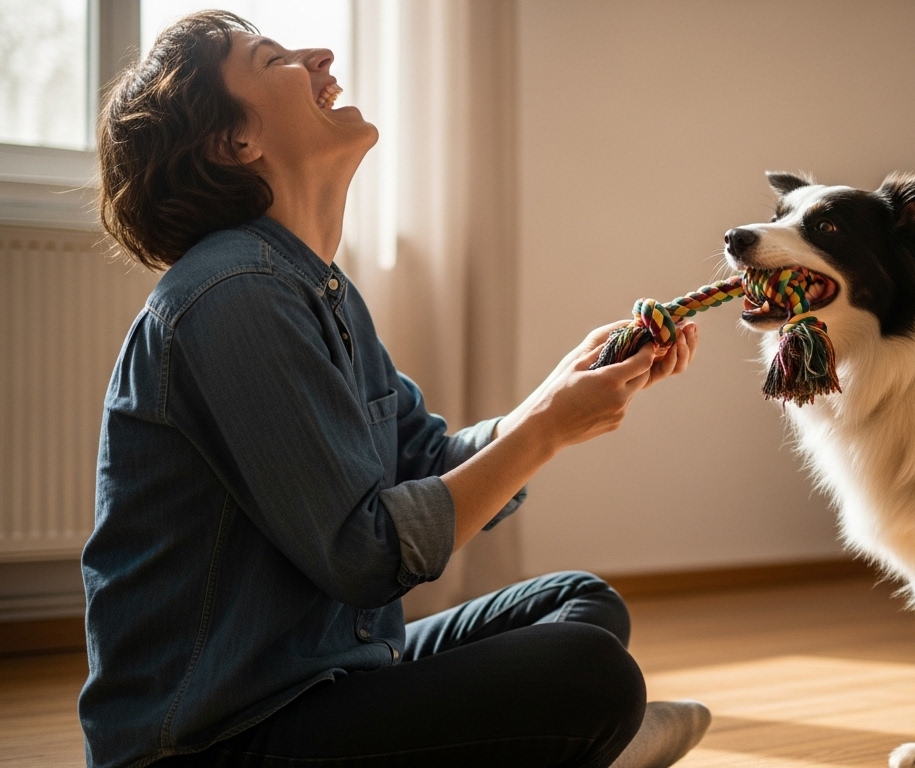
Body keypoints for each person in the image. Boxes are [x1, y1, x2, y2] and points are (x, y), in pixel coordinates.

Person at [80, 10, 710, 768]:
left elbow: (429, 458)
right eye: (274, 57)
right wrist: (545, 426)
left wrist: (561, 392)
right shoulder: (231, 295)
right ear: (234, 142)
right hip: (221, 736)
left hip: (328, 673)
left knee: (579, 604)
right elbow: (366, 555)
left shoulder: (319, 291)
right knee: (590, 676)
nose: (320, 55)